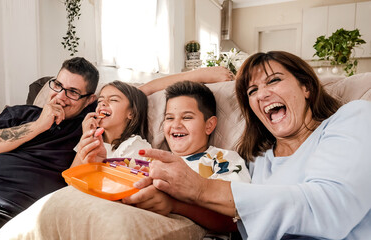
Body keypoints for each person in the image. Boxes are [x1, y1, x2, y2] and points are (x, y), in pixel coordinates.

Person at [135, 51, 371, 239]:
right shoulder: (258, 161)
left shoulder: (354, 116)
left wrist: (199, 189)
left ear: (306, 87)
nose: (262, 95)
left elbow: (327, 208)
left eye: (274, 81)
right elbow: (242, 226)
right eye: (252, 90)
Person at [0, 57, 99, 239]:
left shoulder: (85, 127)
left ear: (89, 100)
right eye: (58, 85)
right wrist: (38, 125)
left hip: (6, 212)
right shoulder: (20, 113)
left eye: (72, 92)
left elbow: (123, 99)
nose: (60, 96)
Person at [123, 81, 250, 235]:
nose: (175, 125)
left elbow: (235, 220)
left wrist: (174, 205)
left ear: (209, 125)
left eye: (187, 117)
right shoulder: (153, 160)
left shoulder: (222, 159)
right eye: (169, 118)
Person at [71, 80, 151, 167]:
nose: (103, 103)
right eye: (100, 101)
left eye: (113, 100)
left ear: (132, 113)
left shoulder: (135, 145)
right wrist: (87, 137)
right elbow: (70, 178)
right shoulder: (94, 140)